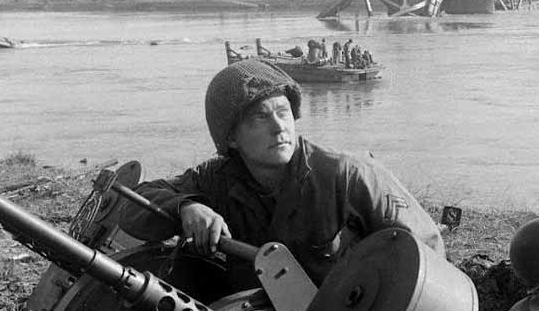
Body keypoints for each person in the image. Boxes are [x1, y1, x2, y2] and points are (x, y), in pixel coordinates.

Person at [118, 58, 444, 289]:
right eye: (260, 118)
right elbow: (132, 204)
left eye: (283, 112)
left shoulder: (346, 175)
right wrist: (187, 207)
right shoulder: (216, 178)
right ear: (230, 137)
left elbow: (427, 254)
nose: (279, 127)